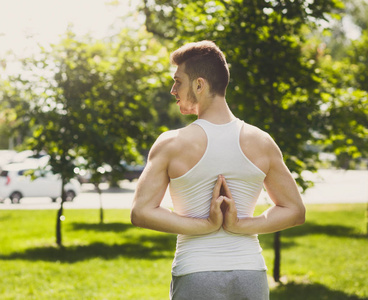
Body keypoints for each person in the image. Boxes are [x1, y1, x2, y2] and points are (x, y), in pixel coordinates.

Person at [131, 40, 305, 300]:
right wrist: (241, 226)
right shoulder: (262, 141)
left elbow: (140, 212)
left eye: (178, 81)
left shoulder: (172, 143)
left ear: (199, 85)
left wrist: (205, 226)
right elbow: (295, 211)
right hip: (250, 274)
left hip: (196, 273)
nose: (172, 89)